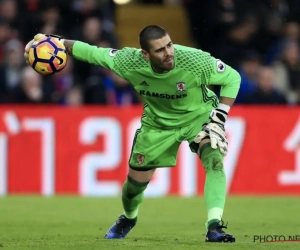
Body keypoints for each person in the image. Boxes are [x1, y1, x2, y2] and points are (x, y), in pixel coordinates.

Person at [24, 25, 241, 243]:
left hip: (198, 117)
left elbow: (232, 78)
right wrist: (53, 43)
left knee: (214, 159)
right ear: (145, 55)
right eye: (160, 50)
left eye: (169, 45)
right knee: (133, 188)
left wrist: (220, 116)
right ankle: (128, 218)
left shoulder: (194, 60)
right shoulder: (129, 61)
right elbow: (92, 52)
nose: (168, 53)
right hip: (157, 126)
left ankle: (214, 226)